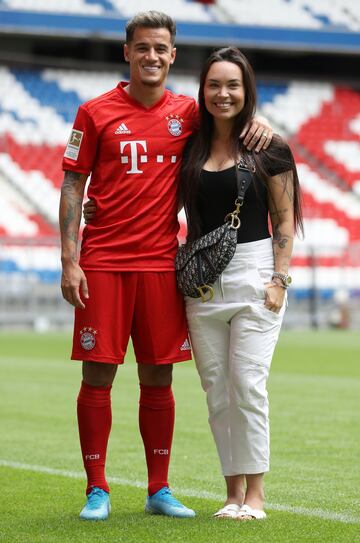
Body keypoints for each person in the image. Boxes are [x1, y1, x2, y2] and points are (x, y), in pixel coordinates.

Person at [59, 10, 272, 521]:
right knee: (98, 375)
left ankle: (159, 488)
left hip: (162, 265)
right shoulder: (93, 112)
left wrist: (260, 122)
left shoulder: (190, 113)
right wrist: (70, 259)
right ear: (126, 52)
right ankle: (97, 489)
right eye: (143, 48)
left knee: (158, 378)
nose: (152, 56)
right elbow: (73, 183)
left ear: (173, 56)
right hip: (104, 262)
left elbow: (231, 117)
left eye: (161, 49)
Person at [179, 47, 303, 520]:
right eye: (214, 84)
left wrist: (279, 278)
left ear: (247, 90)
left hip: (256, 274)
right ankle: (231, 493)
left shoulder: (269, 146)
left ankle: (256, 496)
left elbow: (284, 216)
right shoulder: (189, 143)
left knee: (248, 384)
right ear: (203, 91)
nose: (223, 93)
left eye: (233, 85)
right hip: (202, 281)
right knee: (217, 389)